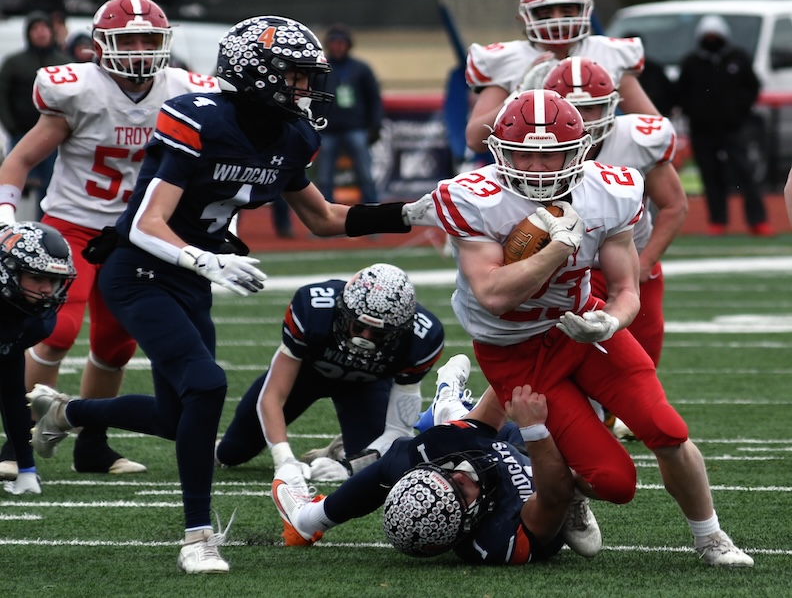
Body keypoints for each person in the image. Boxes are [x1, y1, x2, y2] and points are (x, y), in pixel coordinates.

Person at [24, 14, 425, 575]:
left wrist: (406, 213)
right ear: (256, 75)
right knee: (208, 385)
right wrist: (206, 258)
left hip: (190, 276)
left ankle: (66, 412)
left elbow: (326, 219)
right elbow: (144, 223)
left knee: (176, 415)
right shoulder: (200, 119)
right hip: (139, 269)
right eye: (295, 76)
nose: (307, 89)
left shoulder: (291, 137)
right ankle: (197, 537)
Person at [409, 89, 752, 567]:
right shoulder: (476, 197)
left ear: (581, 149)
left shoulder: (609, 191)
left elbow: (626, 289)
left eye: (553, 155)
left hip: (581, 327)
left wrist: (610, 319)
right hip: (516, 350)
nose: (540, 169)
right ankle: (565, 488)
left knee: (666, 428)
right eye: (527, 155)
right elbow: (493, 293)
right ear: (502, 151)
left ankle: (711, 536)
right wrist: (555, 249)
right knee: (616, 482)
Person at [0, 0, 222, 477]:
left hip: (137, 233)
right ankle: (14, 442)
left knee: (116, 345)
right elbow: (18, 160)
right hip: (71, 224)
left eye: (148, 38)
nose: (140, 48)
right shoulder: (77, 89)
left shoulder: (184, 91)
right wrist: (5, 218)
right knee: (54, 330)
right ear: (102, 44)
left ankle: (91, 447)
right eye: (129, 39)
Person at [272, 353, 602, 562]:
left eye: (447, 477)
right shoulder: (501, 537)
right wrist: (534, 430)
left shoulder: (440, 462)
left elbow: (505, 389)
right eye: (460, 491)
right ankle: (448, 407)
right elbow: (553, 494)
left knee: (404, 455)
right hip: (538, 478)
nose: (459, 475)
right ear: (467, 522)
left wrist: (524, 353)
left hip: (474, 450)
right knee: (587, 469)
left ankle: (446, 401)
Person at [217, 263, 444, 485]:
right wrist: (284, 460)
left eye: (378, 333)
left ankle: (340, 452)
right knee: (231, 453)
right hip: (305, 377)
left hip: (365, 386)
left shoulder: (422, 338)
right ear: (343, 312)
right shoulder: (313, 309)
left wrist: (349, 467)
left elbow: (399, 431)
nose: (364, 337)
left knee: (380, 463)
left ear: (400, 330)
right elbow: (273, 396)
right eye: (358, 326)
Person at [543, 57, 687, 367]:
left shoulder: (637, 140)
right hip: (565, 269)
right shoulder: (538, 146)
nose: (582, 118)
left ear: (611, 105)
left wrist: (645, 262)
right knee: (563, 359)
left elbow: (674, 205)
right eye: (572, 107)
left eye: (591, 107)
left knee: (642, 360)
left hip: (631, 259)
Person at [464, 0, 659, 155]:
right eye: (545, 12)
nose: (556, 20)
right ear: (525, 17)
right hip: (535, 166)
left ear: (585, 11)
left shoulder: (608, 53)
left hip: (599, 161)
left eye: (566, 11)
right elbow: (475, 139)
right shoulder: (506, 59)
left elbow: (654, 127)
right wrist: (519, 93)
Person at [676, 15, 772, 237]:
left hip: (733, 128)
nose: (711, 39)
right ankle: (717, 221)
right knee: (710, 176)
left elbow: (752, 87)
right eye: (707, 36)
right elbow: (681, 93)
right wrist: (695, 112)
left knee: (745, 173)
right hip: (702, 131)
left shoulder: (737, 59)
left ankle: (758, 220)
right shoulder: (692, 63)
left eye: (715, 35)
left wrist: (739, 110)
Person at [0, 222, 75, 493]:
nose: (46, 289)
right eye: (36, 277)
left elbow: (11, 394)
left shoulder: (33, 321)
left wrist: (26, 467)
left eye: (52, 280)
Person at [0, 10, 69, 219]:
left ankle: (43, 229)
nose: (40, 33)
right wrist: (11, 126)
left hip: (54, 137)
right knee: (14, 183)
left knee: (50, 186)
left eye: (44, 28)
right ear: (28, 33)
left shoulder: (64, 62)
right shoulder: (14, 62)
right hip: (22, 132)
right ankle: (10, 226)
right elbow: (2, 95)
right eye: (35, 29)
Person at [314, 23, 383, 204]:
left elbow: (374, 99)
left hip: (356, 128)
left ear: (348, 45)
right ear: (328, 45)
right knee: (324, 178)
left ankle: (374, 217)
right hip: (327, 130)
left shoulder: (361, 69)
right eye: (334, 42)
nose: (338, 46)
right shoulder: (320, 68)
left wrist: (375, 126)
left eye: (341, 42)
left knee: (365, 175)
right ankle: (324, 217)